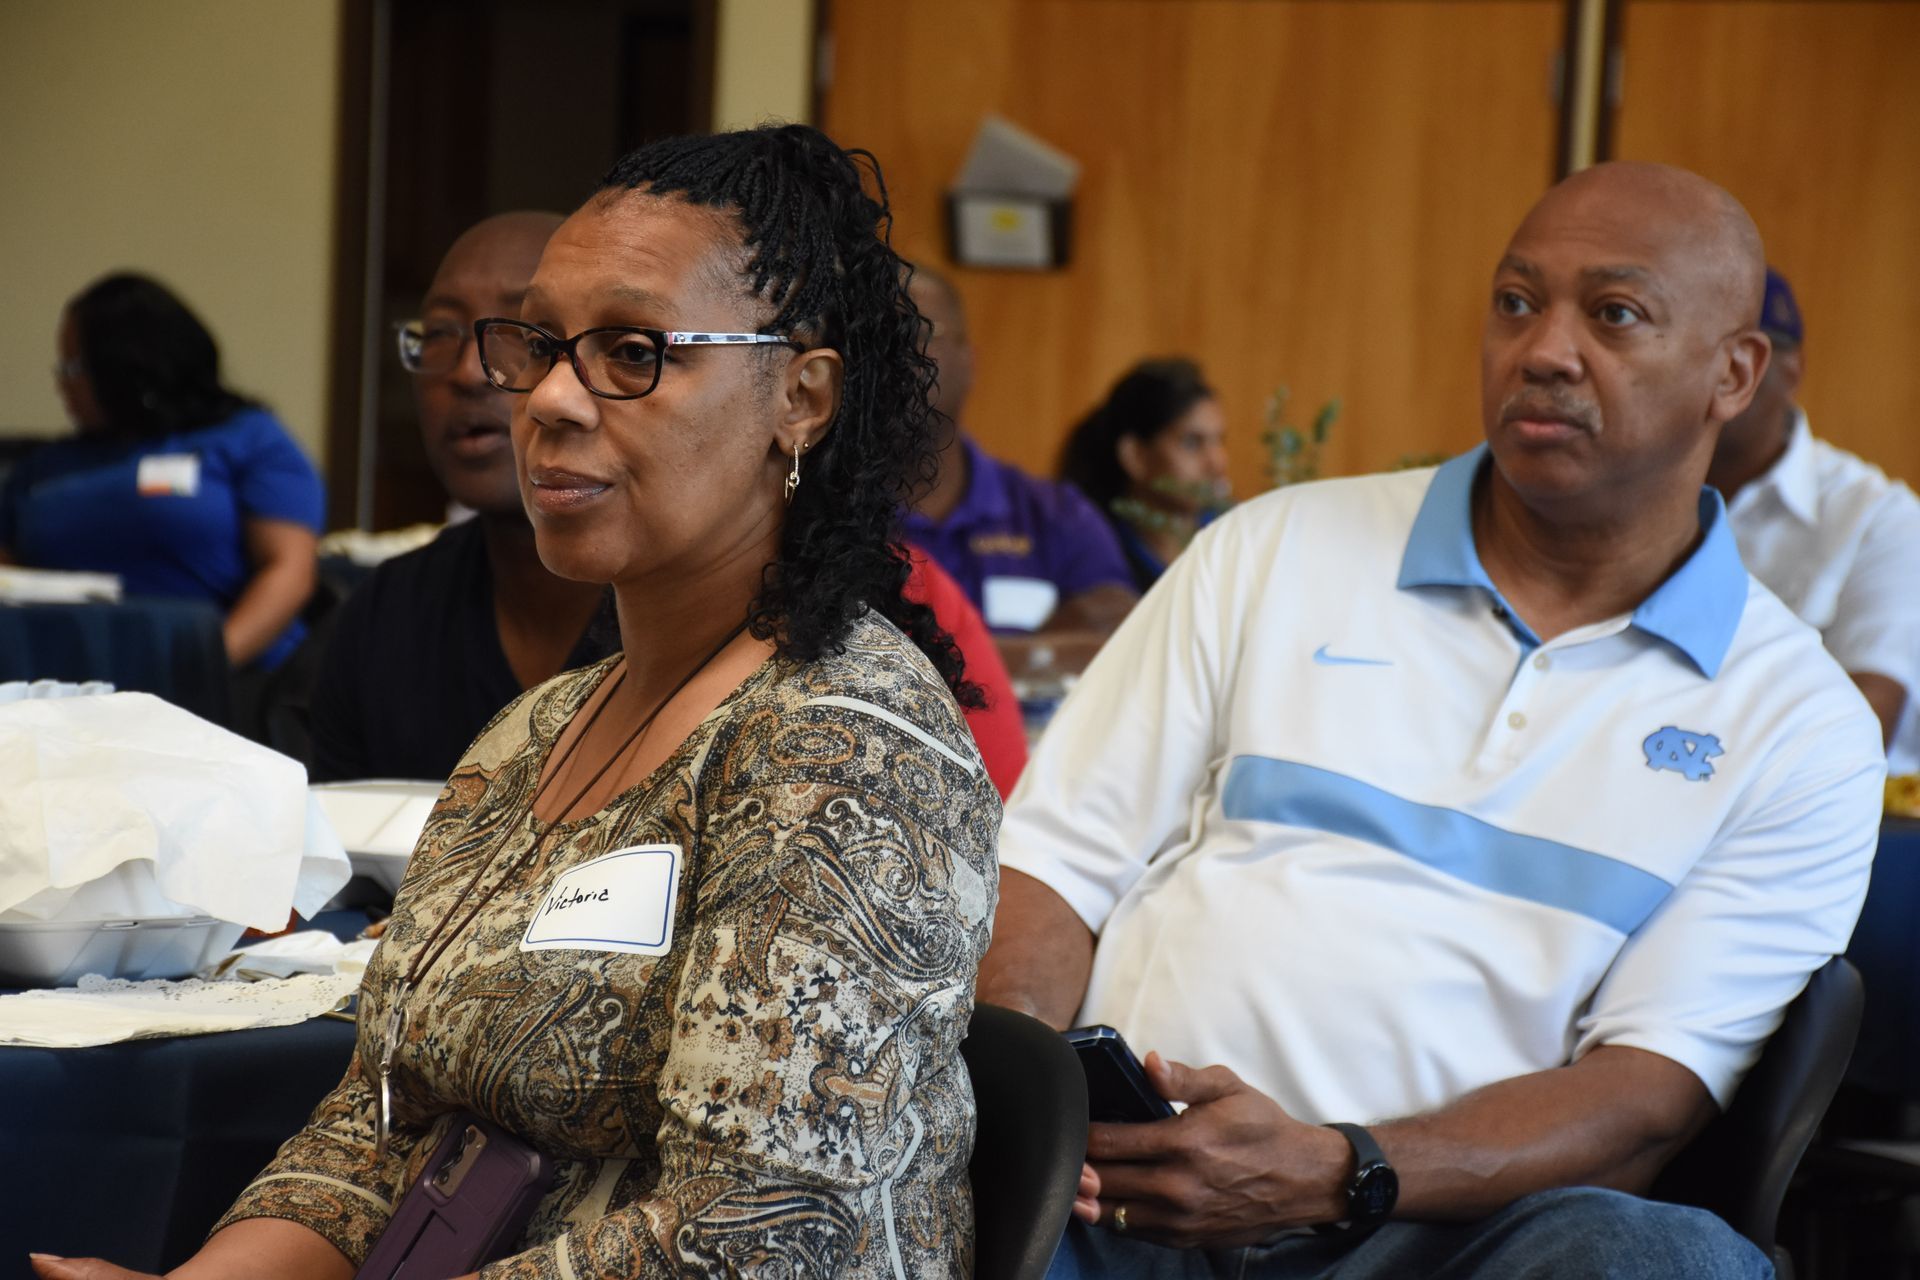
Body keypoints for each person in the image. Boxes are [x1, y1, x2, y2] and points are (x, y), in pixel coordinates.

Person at [33, 124, 999, 1280]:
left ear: (802, 396)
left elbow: (760, 1233)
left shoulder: (845, 744)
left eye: (632, 352)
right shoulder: (530, 734)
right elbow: (372, 1135)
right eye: (538, 346)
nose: (549, 399)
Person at [979, 162, 1882, 1279]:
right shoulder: (1271, 551)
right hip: (1117, 1200)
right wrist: (1030, 1114)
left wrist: (1339, 1166)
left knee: (1668, 1260)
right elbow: (1054, 868)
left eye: (1614, 314)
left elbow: (1644, 1097)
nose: (1544, 350)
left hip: (1441, 1238)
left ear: (1733, 374)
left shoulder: (1800, 724)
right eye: (1516, 302)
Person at [306, 212, 617, 783]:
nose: (472, 372)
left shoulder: (682, 624)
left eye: (526, 336)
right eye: (440, 333)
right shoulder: (383, 618)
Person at [0, 274, 324, 671]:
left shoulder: (246, 439)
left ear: (129, 366)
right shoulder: (43, 467)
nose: (62, 384)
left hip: (225, 677)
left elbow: (289, 571)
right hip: (65, 684)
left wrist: (206, 666)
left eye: (74, 367)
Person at [1706, 266, 1920, 772]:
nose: (1720, 381)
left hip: (1833, 803)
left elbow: (1862, 727)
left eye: (1741, 360)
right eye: (1700, 357)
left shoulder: (1878, 517)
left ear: (1791, 369)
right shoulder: (1631, 496)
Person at [901, 264, 1137, 657]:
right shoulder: (821, 520)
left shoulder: (1057, 516)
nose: (896, 354)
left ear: (969, 361)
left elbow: (1118, 641)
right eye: (874, 337)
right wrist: (1031, 653)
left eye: (919, 331)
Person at [1057, 357, 1230, 591]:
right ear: (1135, 457)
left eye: (1219, 441)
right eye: (1192, 443)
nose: (1217, 462)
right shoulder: (1094, 553)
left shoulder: (1233, 539)